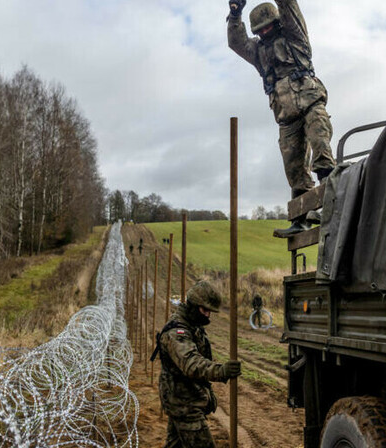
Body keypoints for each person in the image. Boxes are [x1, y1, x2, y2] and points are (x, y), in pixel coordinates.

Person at [227, 0, 336, 237]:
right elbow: (236, 42)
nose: (265, 32)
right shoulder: (258, 51)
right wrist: (235, 14)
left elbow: (289, 9)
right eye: (260, 30)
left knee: (320, 143)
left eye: (268, 27)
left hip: (309, 102)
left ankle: (332, 201)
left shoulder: (295, 38)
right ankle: (302, 218)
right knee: (293, 166)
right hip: (286, 116)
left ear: (276, 23)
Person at [152, 281, 242, 447]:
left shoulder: (192, 325)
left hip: (184, 399)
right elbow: (192, 364)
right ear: (193, 305)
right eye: (204, 310)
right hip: (183, 402)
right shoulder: (177, 332)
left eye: (210, 311)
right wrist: (221, 371)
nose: (208, 315)